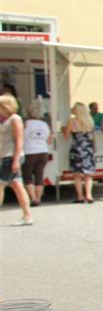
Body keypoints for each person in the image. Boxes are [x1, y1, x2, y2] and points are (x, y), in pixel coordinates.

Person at [0, 94, 34, 225]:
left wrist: (15, 160)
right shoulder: (4, 119)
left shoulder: (15, 119)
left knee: (1, 184)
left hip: (12, 155)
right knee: (17, 186)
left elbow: (19, 139)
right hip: (6, 154)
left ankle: (27, 215)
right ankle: (27, 216)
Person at [63, 102, 96, 204]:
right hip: (88, 148)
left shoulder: (72, 121)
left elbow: (66, 135)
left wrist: (63, 128)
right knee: (88, 174)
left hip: (77, 149)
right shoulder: (90, 121)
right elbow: (93, 137)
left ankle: (80, 196)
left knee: (77, 174)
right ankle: (89, 195)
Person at [22, 102, 52, 206]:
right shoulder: (44, 124)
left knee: (27, 176)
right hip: (43, 152)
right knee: (39, 176)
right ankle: (39, 198)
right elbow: (49, 141)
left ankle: (33, 198)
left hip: (29, 152)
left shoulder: (25, 124)